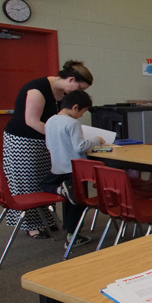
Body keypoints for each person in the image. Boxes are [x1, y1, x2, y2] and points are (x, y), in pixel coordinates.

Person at [3, 60, 92, 239]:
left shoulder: (62, 93)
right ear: (71, 79)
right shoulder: (38, 89)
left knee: (41, 180)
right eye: (79, 88)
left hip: (43, 141)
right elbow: (32, 121)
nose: (78, 93)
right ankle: (32, 226)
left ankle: (46, 220)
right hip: (23, 140)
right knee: (27, 183)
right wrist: (60, 137)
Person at [41, 90, 104, 248]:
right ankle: (72, 236)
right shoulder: (72, 123)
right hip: (75, 170)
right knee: (77, 203)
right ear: (75, 107)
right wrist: (96, 140)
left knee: (45, 186)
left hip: (57, 167)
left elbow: (49, 144)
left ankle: (61, 190)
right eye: (82, 112)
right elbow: (80, 147)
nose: (82, 116)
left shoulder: (50, 121)